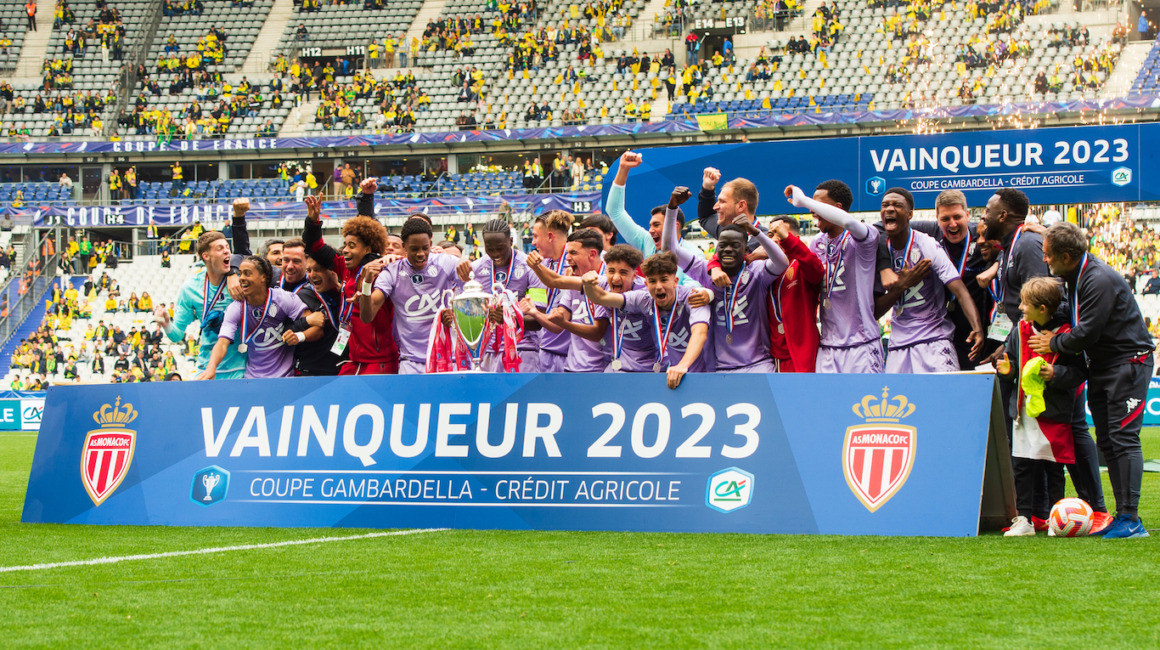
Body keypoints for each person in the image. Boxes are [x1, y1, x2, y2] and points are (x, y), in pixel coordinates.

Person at [1030, 222, 1154, 539]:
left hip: (1127, 364)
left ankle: (1131, 519)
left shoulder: (1097, 279)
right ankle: (1123, 516)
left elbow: (1087, 333)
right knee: (1109, 440)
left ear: (1068, 257)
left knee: (1122, 438)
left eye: (1049, 256)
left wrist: (1052, 344)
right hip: (1103, 365)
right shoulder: (1077, 274)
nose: (1045, 261)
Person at [664, 185, 789, 372]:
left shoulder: (757, 272)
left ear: (746, 251)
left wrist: (755, 232)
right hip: (721, 369)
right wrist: (672, 208)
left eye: (735, 245)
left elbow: (781, 262)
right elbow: (669, 248)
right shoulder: (707, 271)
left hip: (758, 365)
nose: (728, 249)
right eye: (722, 245)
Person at [996, 277, 1084, 536]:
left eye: (1026, 303)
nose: (1021, 307)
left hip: (1053, 412)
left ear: (1043, 308)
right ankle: (1024, 519)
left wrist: (1055, 373)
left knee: (1053, 466)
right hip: (1023, 413)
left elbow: (1079, 372)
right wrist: (1007, 370)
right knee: (1022, 466)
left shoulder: (1067, 335)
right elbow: (1012, 363)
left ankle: (1057, 518)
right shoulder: (1019, 331)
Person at [874, 187, 983, 372]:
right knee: (898, 400)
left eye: (897, 205)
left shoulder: (927, 244)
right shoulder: (877, 251)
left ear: (910, 214)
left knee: (945, 398)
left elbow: (959, 289)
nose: (890, 209)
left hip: (934, 339)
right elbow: (875, 312)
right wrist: (901, 286)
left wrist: (977, 327)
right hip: (898, 343)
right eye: (885, 205)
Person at [302, 186, 399, 375]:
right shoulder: (344, 267)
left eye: (352, 246)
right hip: (354, 358)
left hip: (379, 361)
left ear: (368, 248)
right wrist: (313, 221)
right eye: (345, 244)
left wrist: (393, 259)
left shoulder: (382, 271)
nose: (345, 250)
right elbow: (315, 247)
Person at [789, 181, 883, 373]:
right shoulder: (817, 242)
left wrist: (804, 201)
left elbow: (848, 222)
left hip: (861, 343)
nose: (812, 211)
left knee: (864, 402)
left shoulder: (865, 236)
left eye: (818, 205)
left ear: (837, 208)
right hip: (827, 346)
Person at [582, 251, 709, 388]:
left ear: (675, 282)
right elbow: (600, 298)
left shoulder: (694, 297)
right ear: (646, 284)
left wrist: (682, 365)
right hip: (679, 374)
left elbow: (700, 332)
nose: (658, 286)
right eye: (653, 281)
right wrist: (588, 284)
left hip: (709, 373)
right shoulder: (643, 299)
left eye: (664, 280)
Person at [359, 217, 461, 374]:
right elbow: (367, 316)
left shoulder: (447, 263)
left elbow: (475, 293)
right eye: (414, 249)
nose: (421, 254)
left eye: (425, 248)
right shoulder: (392, 272)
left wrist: (457, 313)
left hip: (446, 358)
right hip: (411, 362)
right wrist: (366, 284)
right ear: (404, 246)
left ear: (431, 244)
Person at [155, 207, 245, 379]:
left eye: (227, 247)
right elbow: (177, 335)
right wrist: (166, 323)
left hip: (241, 367)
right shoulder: (190, 289)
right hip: (206, 368)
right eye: (220, 248)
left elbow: (244, 254)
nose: (227, 251)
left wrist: (233, 273)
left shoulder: (240, 280)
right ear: (206, 256)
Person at [200, 255, 310, 379]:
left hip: (285, 378)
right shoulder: (237, 308)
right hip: (252, 379)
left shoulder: (282, 298)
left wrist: (300, 335)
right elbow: (222, 343)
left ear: (263, 277)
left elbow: (314, 324)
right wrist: (211, 367)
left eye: (247, 274)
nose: (241, 278)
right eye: (240, 273)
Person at [457, 218, 545, 372]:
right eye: (490, 249)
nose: (496, 254)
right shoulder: (475, 269)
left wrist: (509, 319)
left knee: (522, 397)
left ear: (511, 241)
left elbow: (540, 318)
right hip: (486, 352)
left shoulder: (530, 268)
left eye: (500, 248)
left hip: (522, 350)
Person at [604, 151, 701, 286]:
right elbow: (615, 211)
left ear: (675, 225)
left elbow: (693, 293)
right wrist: (623, 169)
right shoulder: (647, 242)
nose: (650, 230)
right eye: (650, 226)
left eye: (656, 225)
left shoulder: (693, 254)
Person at [525, 228, 610, 373]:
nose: (567, 258)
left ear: (592, 254)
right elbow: (558, 326)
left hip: (601, 370)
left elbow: (597, 333)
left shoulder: (607, 281)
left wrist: (537, 267)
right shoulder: (575, 280)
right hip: (571, 368)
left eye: (573, 253)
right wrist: (535, 313)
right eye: (567, 253)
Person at [529, 210, 575, 372]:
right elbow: (539, 305)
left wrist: (534, 312)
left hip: (570, 356)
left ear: (550, 236)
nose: (533, 242)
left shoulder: (575, 264)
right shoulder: (541, 265)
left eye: (535, 236)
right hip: (545, 352)